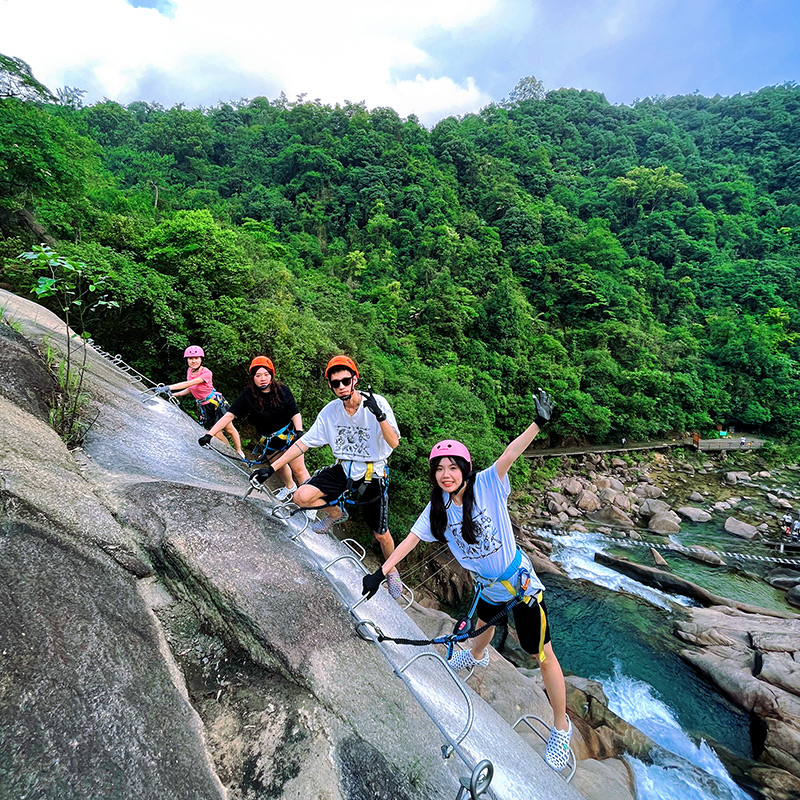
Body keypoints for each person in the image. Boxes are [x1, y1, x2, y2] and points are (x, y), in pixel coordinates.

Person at [361, 389, 572, 772]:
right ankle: (476, 655)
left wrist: (538, 423)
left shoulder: (487, 486)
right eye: (439, 469)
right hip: (489, 587)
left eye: (453, 467)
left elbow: (509, 454)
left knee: (541, 655)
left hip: (519, 586)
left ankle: (561, 726)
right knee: (481, 627)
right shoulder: (437, 507)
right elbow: (409, 540)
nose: (446, 474)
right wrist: (382, 571)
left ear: (465, 469)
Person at [251, 355, 403, 598]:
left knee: (380, 533)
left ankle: (392, 570)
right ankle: (336, 514)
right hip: (343, 467)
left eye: (345, 380)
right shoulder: (331, 411)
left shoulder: (377, 403)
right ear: (330, 386)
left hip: (373, 471)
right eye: (335, 383)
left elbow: (393, 443)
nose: (341, 386)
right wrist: (272, 467)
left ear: (355, 379)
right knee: (301, 496)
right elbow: (305, 443)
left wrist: (380, 416)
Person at [199, 356, 309, 501]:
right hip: (270, 440)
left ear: (271, 375)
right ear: (253, 377)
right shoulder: (248, 395)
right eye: (258, 375)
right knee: (279, 468)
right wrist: (210, 435)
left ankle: (310, 501)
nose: (262, 378)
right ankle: (290, 487)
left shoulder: (282, 390)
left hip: (289, 436)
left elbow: (295, 413)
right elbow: (229, 416)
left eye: (266, 374)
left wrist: (299, 431)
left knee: (298, 469)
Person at [157, 345, 243, 457]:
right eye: (190, 358)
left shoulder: (206, 373)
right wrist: (177, 394)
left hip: (215, 403)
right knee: (216, 433)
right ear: (187, 360)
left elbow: (189, 383)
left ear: (201, 359)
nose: (193, 361)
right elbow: (191, 388)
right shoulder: (189, 371)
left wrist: (169, 387)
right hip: (204, 406)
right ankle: (231, 453)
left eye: (196, 358)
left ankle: (239, 451)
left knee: (229, 429)